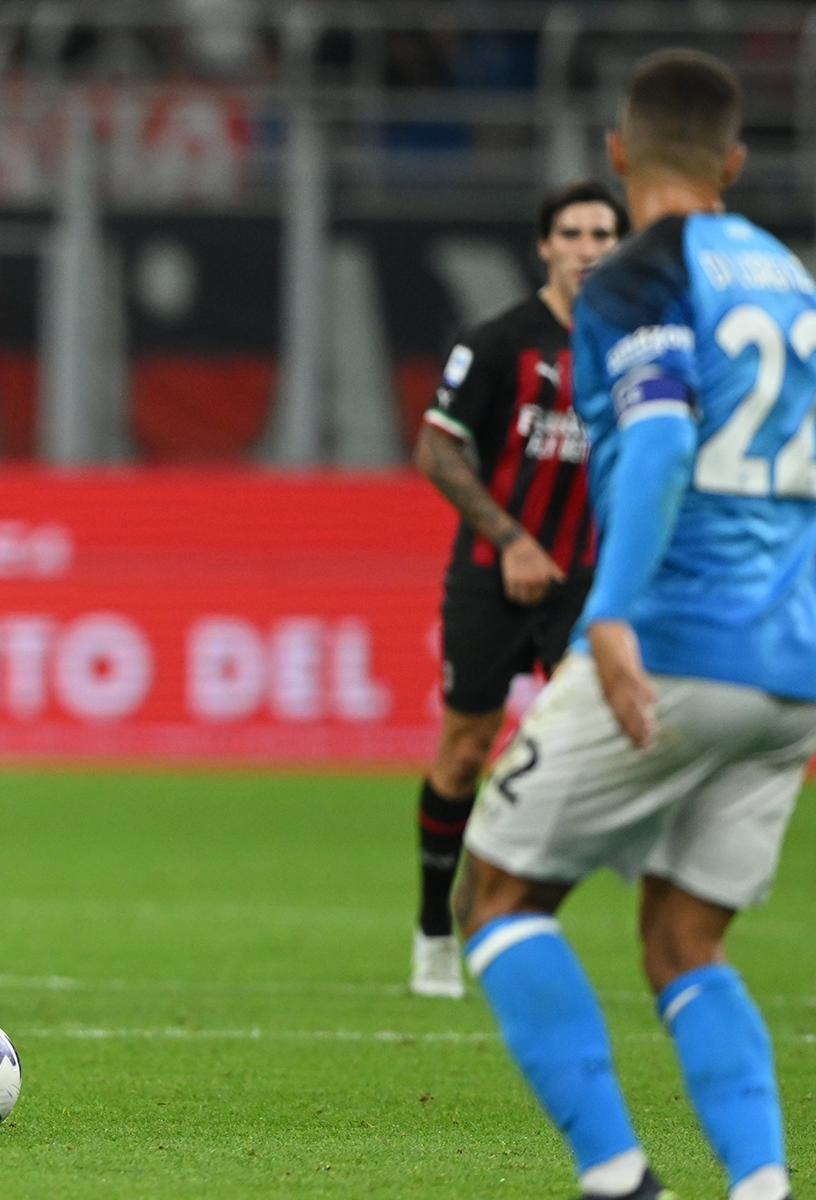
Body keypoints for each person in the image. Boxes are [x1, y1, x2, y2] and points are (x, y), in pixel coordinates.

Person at [458, 49, 812, 1200]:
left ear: (617, 154)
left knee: (498, 896)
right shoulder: (790, 282)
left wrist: (608, 615)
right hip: (788, 664)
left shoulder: (637, 276)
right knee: (681, 942)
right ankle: (761, 1188)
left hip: (675, 640)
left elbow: (657, 440)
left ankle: (619, 1182)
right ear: (734, 161)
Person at [405, 180, 626, 999]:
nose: (587, 248)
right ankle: (435, 928)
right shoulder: (499, 341)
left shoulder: (637, 347)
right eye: (572, 233)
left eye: (602, 233)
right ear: (545, 246)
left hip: (587, 583)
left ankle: (498, 908)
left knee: (572, 753)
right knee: (464, 751)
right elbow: (437, 450)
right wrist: (511, 539)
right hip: (491, 574)